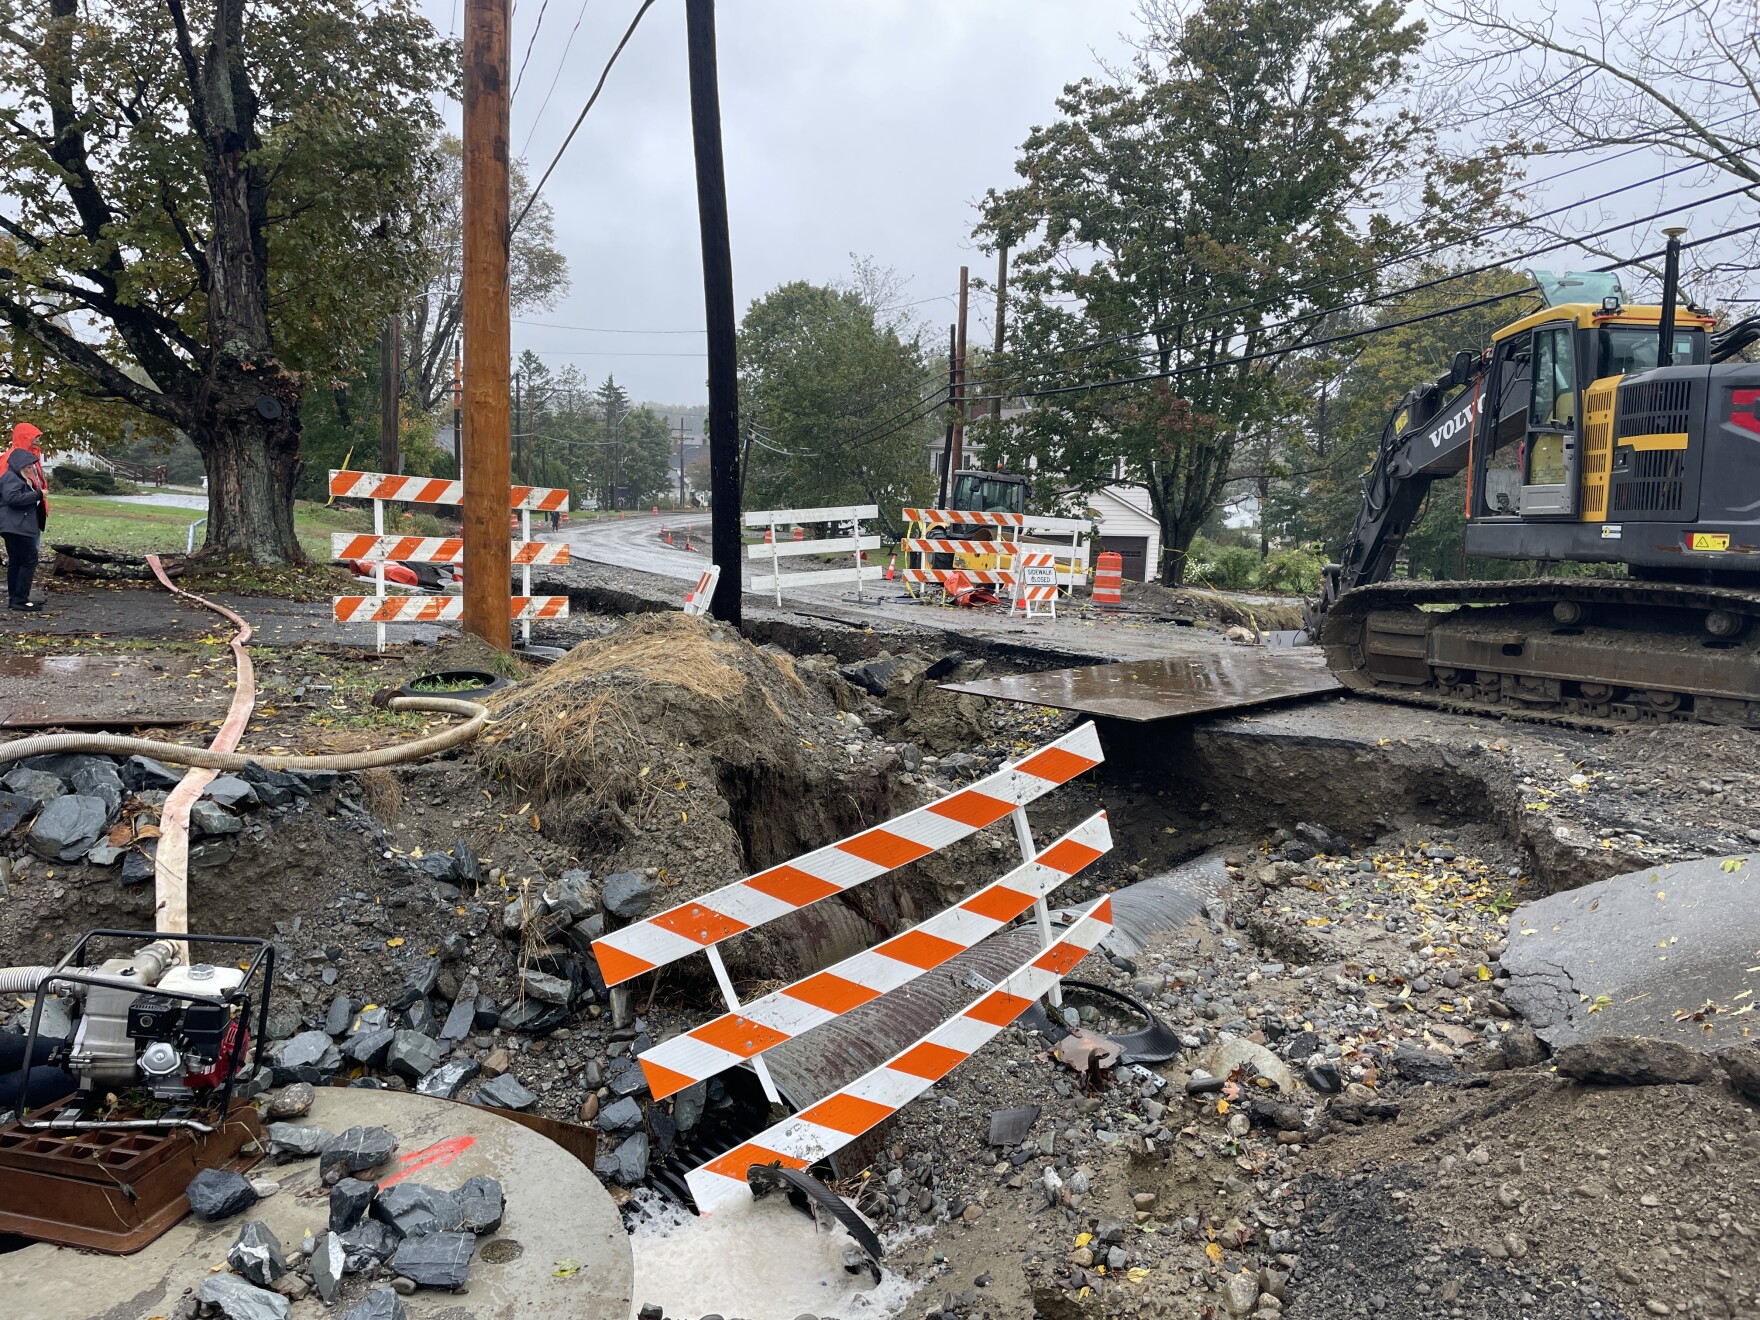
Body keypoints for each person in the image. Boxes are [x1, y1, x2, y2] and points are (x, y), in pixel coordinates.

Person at [1, 422, 48, 613]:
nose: (37, 441)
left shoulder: (27, 460)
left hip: (25, 520)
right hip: (17, 523)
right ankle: (20, 599)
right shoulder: (11, 466)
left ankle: (18, 598)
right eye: (34, 437)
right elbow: (11, 496)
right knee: (27, 559)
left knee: (18, 560)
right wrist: (38, 495)